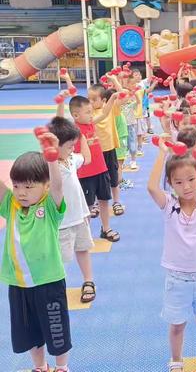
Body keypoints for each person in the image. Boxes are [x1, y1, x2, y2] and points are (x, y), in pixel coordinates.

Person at [147, 137, 196, 372]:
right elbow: (152, 187)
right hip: (177, 279)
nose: (187, 186)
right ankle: (176, 360)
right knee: (176, 325)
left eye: (191, 179)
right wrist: (162, 154)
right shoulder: (168, 206)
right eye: (179, 182)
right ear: (171, 184)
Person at [0, 145, 72, 372]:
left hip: (48, 283)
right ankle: (40, 366)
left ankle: (62, 367)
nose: (21, 192)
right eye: (17, 185)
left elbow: (58, 186)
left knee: (56, 329)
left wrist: (52, 159)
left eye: (29, 186)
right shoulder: (10, 205)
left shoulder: (50, 206)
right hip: (19, 284)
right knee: (29, 332)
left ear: (45, 186)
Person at [47, 117, 96, 303]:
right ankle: (58, 287)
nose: (72, 149)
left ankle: (88, 280)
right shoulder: (49, 165)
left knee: (83, 249)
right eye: (69, 146)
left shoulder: (71, 159)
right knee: (60, 258)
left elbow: (87, 158)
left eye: (73, 146)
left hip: (80, 216)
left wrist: (81, 138)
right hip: (62, 222)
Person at [67, 95, 120, 242]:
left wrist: (113, 97)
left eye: (91, 111)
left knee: (104, 200)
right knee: (87, 206)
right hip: (85, 175)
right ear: (76, 115)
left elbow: (104, 113)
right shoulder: (73, 130)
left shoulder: (91, 124)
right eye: (88, 112)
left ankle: (106, 228)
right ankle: (85, 234)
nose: (92, 115)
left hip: (101, 170)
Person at [87, 83, 125, 216]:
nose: (90, 103)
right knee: (97, 179)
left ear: (103, 100)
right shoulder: (89, 114)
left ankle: (116, 202)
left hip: (109, 150)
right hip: (95, 152)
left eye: (93, 99)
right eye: (89, 99)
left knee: (113, 178)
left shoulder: (111, 108)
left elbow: (124, 96)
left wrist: (114, 81)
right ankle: (96, 203)